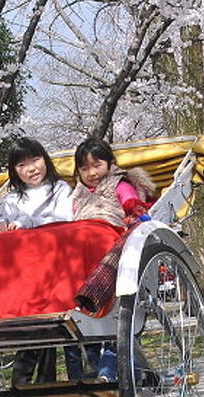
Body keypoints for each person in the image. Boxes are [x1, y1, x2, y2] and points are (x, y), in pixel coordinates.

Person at [67, 136, 157, 382]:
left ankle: (113, 373)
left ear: (109, 163)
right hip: (81, 240)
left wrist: (136, 213)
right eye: (84, 168)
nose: (91, 173)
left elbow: (130, 203)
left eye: (96, 165)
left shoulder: (120, 183)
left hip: (110, 235)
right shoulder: (78, 194)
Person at [0, 137, 73, 385]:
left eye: (35, 160)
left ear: (45, 159)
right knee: (35, 320)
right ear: (14, 170)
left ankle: (29, 379)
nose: (31, 168)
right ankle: (35, 380)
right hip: (22, 267)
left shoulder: (60, 189)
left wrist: (27, 224)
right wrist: (1, 226)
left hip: (52, 260)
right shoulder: (13, 199)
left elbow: (64, 220)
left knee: (42, 317)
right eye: (22, 164)